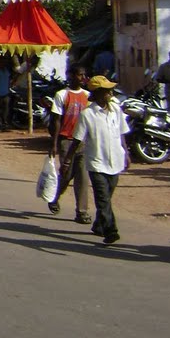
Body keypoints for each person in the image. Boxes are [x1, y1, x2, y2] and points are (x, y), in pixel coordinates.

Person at [73, 75, 131, 245]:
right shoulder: (87, 114)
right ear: (98, 93)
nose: (110, 93)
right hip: (96, 162)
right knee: (102, 197)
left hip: (115, 161)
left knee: (108, 194)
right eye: (106, 91)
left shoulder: (116, 110)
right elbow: (77, 139)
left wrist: (126, 153)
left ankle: (99, 224)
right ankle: (110, 230)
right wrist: (68, 160)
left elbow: (121, 133)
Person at [48, 65, 91, 223]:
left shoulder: (88, 96)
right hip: (67, 140)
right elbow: (56, 121)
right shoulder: (62, 95)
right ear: (71, 75)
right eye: (80, 74)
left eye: (83, 75)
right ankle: (55, 196)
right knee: (66, 174)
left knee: (82, 177)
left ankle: (82, 211)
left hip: (83, 142)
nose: (82, 78)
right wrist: (54, 143)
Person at [0, 56, 12, 132]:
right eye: (1, 62)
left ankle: (4, 125)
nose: (3, 63)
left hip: (6, 94)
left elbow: (9, 80)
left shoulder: (7, 70)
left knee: (6, 111)